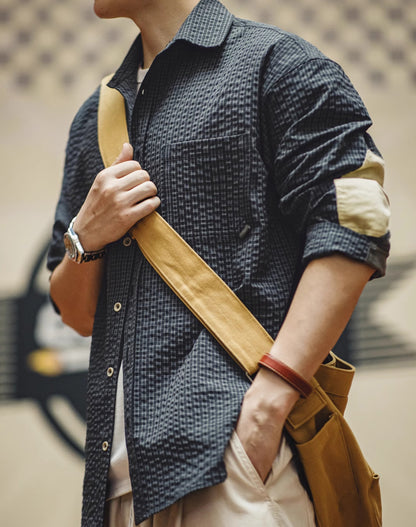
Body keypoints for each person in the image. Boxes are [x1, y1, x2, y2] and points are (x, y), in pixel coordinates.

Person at [47, 0, 390, 526]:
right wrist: (84, 235)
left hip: (235, 467)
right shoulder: (97, 117)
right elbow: (77, 315)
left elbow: (357, 219)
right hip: (115, 487)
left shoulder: (278, 64)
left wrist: (269, 404)